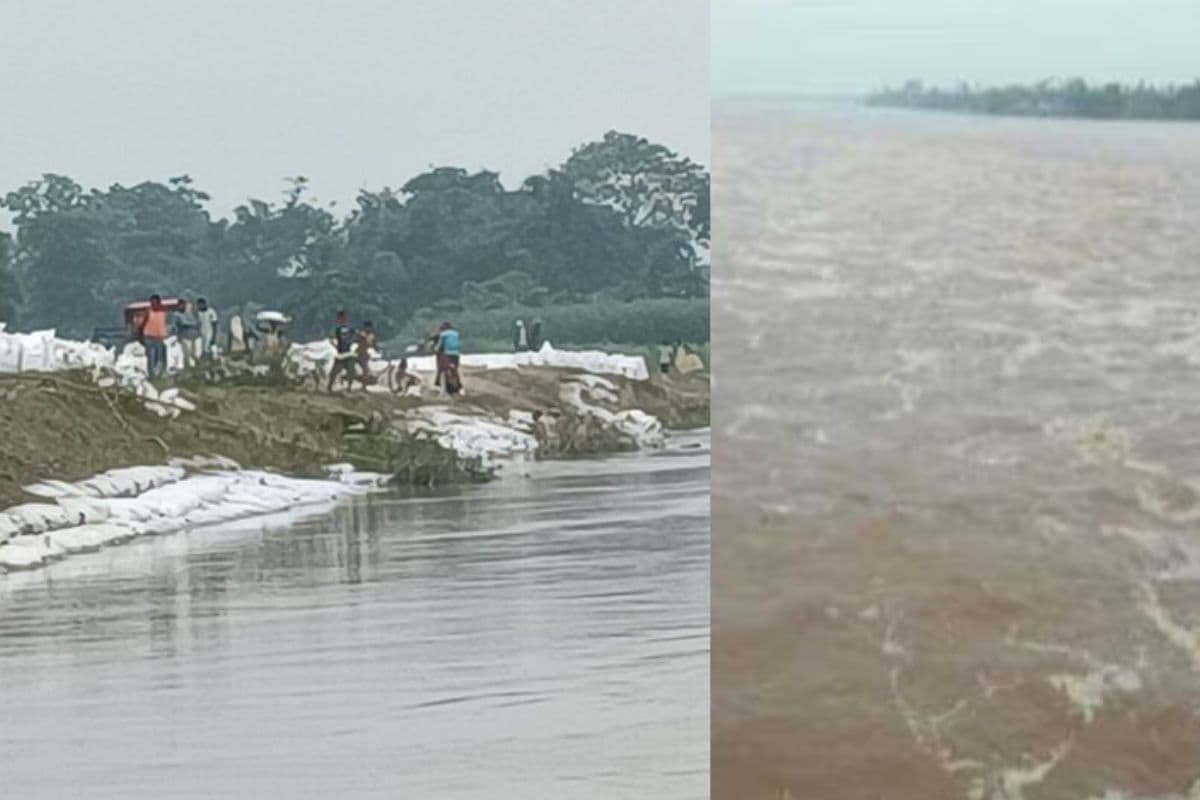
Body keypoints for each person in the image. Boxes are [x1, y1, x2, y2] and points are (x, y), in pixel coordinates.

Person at [139, 294, 169, 380]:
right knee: (151, 357)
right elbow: (143, 325)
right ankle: (152, 376)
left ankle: (160, 374)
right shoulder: (149, 312)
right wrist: (141, 336)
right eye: (152, 302)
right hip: (149, 337)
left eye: (154, 302)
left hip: (159, 338)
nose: (153, 304)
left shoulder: (163, 312)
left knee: (159, 358)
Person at [327, 310, 357, 392]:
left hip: (348, 353)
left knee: (351, 371)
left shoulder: (350, 329)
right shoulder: (337, 329)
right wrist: (334, 344)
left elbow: (353, 338)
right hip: (341, 353)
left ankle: (349, 387)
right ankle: (329, 386)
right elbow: (333, 339)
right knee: (334, 372)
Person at [435, 321, 462, 396]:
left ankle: (438, 382)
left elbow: (440, 345)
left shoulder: (443, 334)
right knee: (455, 369)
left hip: (448, 354)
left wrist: (436, 349)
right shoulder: (456, 334)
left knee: (441, 368)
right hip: (456, 354)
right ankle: (459, 385)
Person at [173, 299, 200, 370]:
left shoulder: (189, 314)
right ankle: (187, 368)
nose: (181, 306)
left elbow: (196, 323)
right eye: (180, 305)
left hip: (194, 336)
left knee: (194, 354)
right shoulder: (177, 314)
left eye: (182, 305)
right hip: (184, 337)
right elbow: (182, 323)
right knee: (186, 354)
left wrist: (190, 324)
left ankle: (198, 365)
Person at [353, 320, 376, 390]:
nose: (367, 328)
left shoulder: (370, 335)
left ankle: (364, 386)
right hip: (359, 352)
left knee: (365, 370)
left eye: (368, 327)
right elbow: (357, 340)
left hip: (363, 353)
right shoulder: (363, 333)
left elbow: (368, 342)